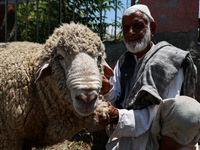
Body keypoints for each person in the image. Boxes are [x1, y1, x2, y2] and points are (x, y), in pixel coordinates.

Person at [99, 4, 200, 150]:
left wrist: (120, 117)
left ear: (152, 28)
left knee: (186, 111)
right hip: (126, 135)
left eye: (137, 26)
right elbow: (118, 100)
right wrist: (107, 90)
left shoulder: (169, 59)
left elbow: (165, 111)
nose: (130, 32)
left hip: (158, 138)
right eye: (126, 28)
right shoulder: (124, 61)